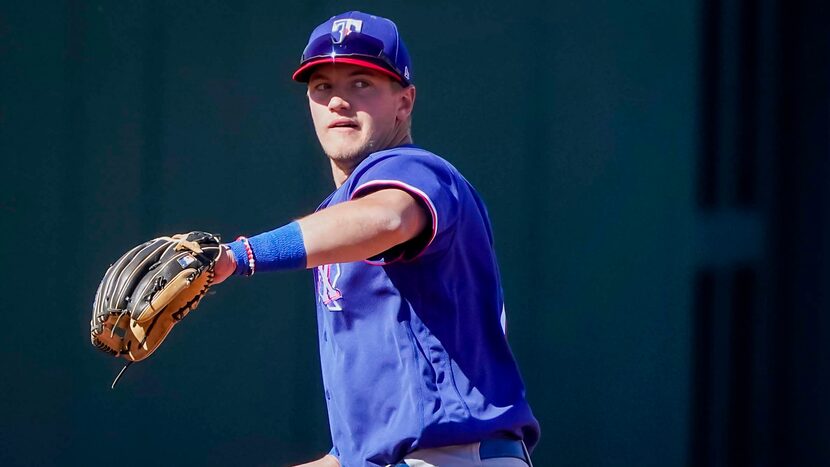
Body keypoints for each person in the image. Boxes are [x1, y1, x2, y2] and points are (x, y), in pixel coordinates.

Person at [212, 11, 540, 467]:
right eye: (322, 86)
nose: (338, 101)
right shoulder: (333, 220)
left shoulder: (416, 170)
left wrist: (240, 255)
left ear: (404, 102)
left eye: (360, 83)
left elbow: (387, 220)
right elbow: (357, 455)